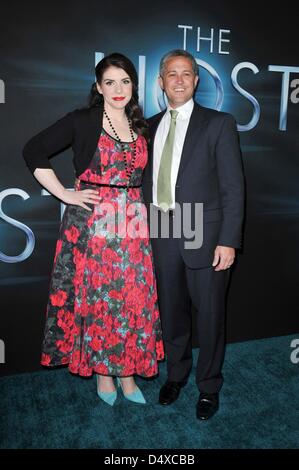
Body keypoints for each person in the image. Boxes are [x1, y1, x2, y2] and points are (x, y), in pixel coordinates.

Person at [23, 52, 164, 406]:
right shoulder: (83, 120)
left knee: (132, 299)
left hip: (132, 225)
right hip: (94, 225)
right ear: (99, 87)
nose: (118, 89)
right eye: (110, 82)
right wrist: (64, 193)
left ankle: (128, 373)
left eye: (125, 81)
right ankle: (104, 374)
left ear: (134, 85)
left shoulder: (141, 125)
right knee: (101, 300)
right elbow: (33, 150)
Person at [142, 49, 244, 420]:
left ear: (197, 80)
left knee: (210, 316)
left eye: (187, 74)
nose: (180, 80)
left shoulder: (219, 123)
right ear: (161, 81)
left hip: (207, 232)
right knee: (172, 314)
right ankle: (177, 375)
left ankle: (208, 387)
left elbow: (234, 187)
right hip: (163, 229)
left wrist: (229, 240)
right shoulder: (149, 126)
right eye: (172, 74)